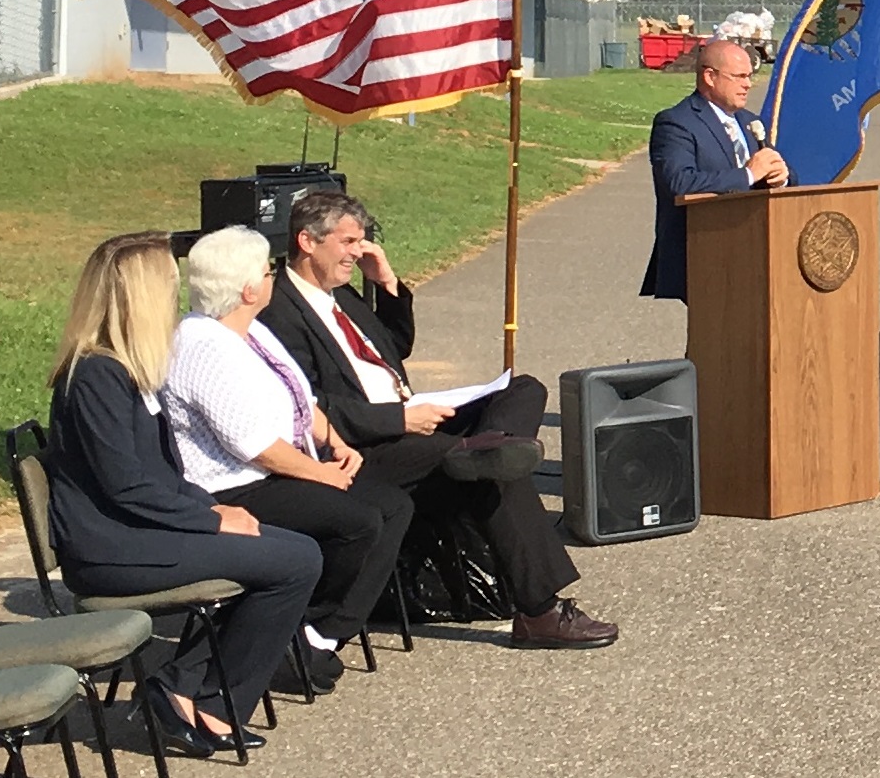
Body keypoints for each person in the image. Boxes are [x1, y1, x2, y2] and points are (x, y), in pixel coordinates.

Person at [258, 191, 619, 649]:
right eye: (348, 242)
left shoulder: (340, 296)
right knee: (493, 475)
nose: (357, 252)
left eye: (361, 242)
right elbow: (308, 403)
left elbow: (394, 347)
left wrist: (386, 283)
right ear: (308, 241)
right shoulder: (280, 310)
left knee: (522, 388)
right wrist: (398, 419)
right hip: (365, 445)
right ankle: (540, 610)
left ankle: (492, 445)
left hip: (409, 417)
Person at [45, 232, 321, 758]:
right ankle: (208, 702)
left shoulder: (125, 369)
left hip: (139, 533)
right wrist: (211, 522)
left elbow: (162, 476)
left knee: (289, 549)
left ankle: (181, 691)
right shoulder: (94, 375)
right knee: (295, 559)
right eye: (168, 289)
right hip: (110, 551)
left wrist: (212, 507)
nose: (176, 301)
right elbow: (127, 485)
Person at [162, 226, 413, 692]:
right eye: (266, 270)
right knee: (356, 522)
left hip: (284, 468)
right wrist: (321, 475)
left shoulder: (253, 330)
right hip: (234, 486)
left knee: (394, 505)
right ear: (248, 289)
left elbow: (299, 396)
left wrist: (336, 443)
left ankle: (321, 631)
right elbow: (253, 445)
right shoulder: (202, 346)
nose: (273, 277)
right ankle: (291, 628)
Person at [641, 39, 793, 303]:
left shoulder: (750, 122)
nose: (748, 84)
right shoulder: (676, 123)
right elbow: (679, 182)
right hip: (705, 253)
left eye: (749, 76)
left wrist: (782, 177)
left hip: (757, 249)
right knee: (715, 338)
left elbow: (768, 175)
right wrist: (748, 175)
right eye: (739, 77)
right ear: (710, 76)